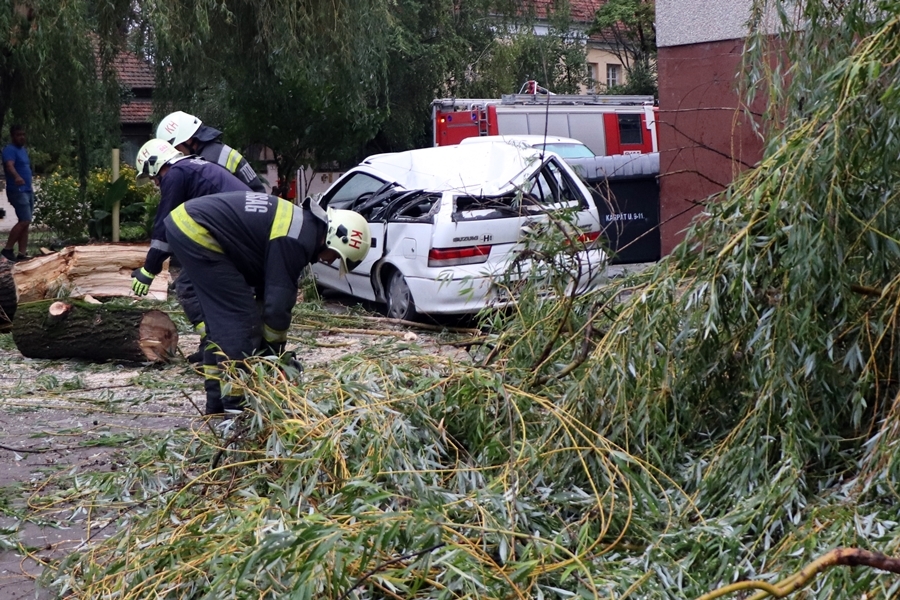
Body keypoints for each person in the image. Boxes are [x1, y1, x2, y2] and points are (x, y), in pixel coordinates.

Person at [164, 191, 371, 415]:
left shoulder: (302, 228)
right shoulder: (297, 239)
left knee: (222, 328)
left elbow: (266, 288)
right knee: (239, 324)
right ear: (335, 237)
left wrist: (268, 351)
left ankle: (216, 407)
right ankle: (236, 411)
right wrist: (274, 352)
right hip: (198, 230)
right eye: (336, 256)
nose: (330, 260)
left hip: (190, 225)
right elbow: (277, 304)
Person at [131, 139, 251, 362]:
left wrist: (149, 270)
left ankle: (215, 345)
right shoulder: (193, 167)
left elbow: (165, 225)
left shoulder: (175, 175)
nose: (156, 184)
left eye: (153, 177)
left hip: (235, 234)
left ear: (157, 165)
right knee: (206, 286)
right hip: (240, 233)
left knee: (187, 285)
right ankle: (216, 344)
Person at [155, 112, 266, 193]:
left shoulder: (208, 160)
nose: (176, 153)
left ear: (187, 140)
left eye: (176, 147)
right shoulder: (215, 150)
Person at [2, 125, 34, 262]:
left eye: (23, 134)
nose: (22, 137)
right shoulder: (9, 150)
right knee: (25, 219)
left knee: (25, 222)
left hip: (27, 190)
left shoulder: (23, 151)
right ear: (13, 136)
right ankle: (7, 250)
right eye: (18, 135)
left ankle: (22, 253)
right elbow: (10, 166)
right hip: (18, 190)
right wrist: (16, 177)